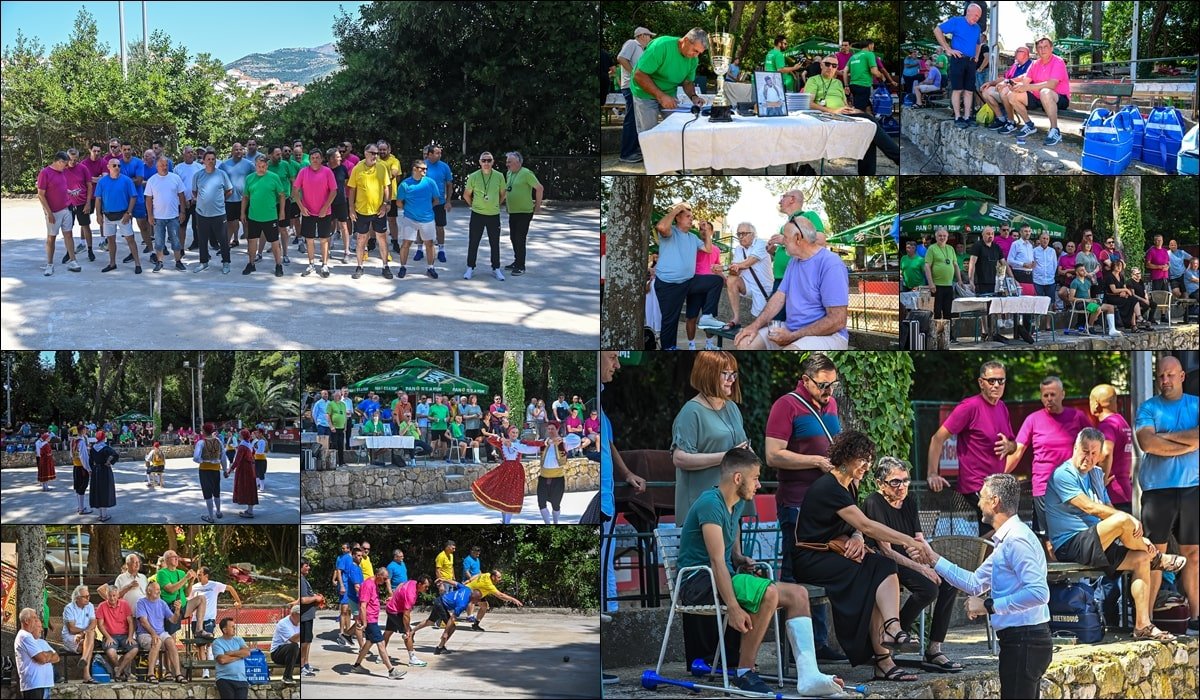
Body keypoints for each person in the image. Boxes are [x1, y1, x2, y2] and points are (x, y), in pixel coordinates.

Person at [792, 431, 933, 683]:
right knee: (875, 570)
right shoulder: (829, 486)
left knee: (883, 564)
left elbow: (857, 526)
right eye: (863, 459)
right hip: (811, 559)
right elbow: (866, 524)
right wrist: (908, 540)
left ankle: (890, 632)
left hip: (833, 554)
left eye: (869, 460)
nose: (867, 466)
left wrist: (856, 537)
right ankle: (886, 649)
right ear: (846, 457)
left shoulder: (849, 484)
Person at [908, 473, 1053, 699]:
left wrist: (989, 605)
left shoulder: (1016, 540)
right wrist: (933, 558)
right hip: (1020, 641)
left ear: (995, 501)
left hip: (1025, 640)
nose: (978, 502)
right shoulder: (1007, 539)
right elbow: (974, 583)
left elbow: (1038, 593)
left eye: (981, 496)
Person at [1045, 427, 1182, 642]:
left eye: (1093, 453)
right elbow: (1091, 508)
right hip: (1071, 544)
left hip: (1098, 541)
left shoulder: (1097, 474)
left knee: (1141, 558)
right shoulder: (1063, 474)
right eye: (1084, 451)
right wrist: (1128, 522)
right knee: (1122, 519)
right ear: (1074, 448)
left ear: (1100, 455)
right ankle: (1159, 558)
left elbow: (1106, 506)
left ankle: (1142, 625)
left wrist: (1136, 537)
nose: (1088, 458)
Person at [764, 353, 847, 663]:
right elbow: (773, 455)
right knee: (794, 572)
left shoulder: (832, 405)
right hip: (797, 501)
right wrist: (814, 461)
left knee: (819, 571)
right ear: (806, 380)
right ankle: (792, 649)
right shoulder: (786, 405)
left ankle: (820, 643)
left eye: (832, 385)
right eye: (823, 385)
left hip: (827, 503)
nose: (828, 392)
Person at [862, 457, 962, 672]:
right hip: (885, 563)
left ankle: (934, 649)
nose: (902, 487)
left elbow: (919, 539)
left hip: (909, 558)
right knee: (928, 589)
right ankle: (895, 633)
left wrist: (935, 561)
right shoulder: (874, 502)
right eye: (895, 482)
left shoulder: (908, 501)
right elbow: (887, 550)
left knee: (949, 583)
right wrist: (922, 568)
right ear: (880, 483)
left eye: (905, 481)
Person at [1134, 355, 1199, 636]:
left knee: (1193, 555)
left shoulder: (1196, 405)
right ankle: (1146, 620)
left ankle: (1196, 616)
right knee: (1154, 556)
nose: (1165, 380)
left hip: (1192, 488)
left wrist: (1167, 436)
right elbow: (1147, 443)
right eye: (1161, 376)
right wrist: (1188, 443)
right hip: (1157, 491)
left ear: (1182, 376)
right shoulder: (1148, 407)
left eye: (1170, 375)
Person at [927, 360, 1017, 536]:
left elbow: (1014, 445)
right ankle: (981, 562)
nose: (997, 385)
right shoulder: (969, 407)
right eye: (991, 381)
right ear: (981, 383)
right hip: (976, 485)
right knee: (1000, 527)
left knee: (1001, 530)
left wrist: (1009, 446)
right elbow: (937, 438)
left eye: (1001, 380)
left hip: (996, 485)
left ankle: (985, 561)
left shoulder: (1002, 407)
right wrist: (932, 473)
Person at [734, 215, 849, 349]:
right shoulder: (794, 262)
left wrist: (793, 336)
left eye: (785, 239)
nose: (783, 243)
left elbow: (838, 320)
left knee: (790, 350)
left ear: (798, 238)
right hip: (792, 330)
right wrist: (754, 326)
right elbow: (778, 298)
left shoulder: (831, 263)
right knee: (745, 343)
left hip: (828, 335)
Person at [1005, 376, 1095, 546]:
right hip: (1043, 488)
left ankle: (1075, 571)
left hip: (1072, 486)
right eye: (1045, 395)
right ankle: (1057, 572)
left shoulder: (1077, 416)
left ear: (1063, 394)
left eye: (1053, 395)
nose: (1049, 399)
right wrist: (999, 476)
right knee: (1049, 539)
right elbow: (1017, 451)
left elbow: (1095, 447)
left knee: (1078, 533)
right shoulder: (1033, 419)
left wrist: (1097, 475)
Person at [804, 55, 901, 174]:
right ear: (821, 65)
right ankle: (897, 157)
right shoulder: (813, 80)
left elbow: (845, 104)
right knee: (869, 121)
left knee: (868, 132)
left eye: (834, 65)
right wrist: (833, 110)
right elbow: (809, 103)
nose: (830, 67)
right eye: (827, 64)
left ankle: (868, 174)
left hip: (844, 115)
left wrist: (853, 110)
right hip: (827, 116)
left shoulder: (838, 83)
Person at [651, 202, 723, 350]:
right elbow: (661, 227)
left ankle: (707, 316)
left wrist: (707, 232)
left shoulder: (692, 237)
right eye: (688, 216)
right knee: (670, 320)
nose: (691, 219)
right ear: (678, 218)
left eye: (692, 217)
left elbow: (708, 249)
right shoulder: (670, 232)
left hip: (688, 282)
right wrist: (676, 210)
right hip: (668, 284)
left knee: (716, 281)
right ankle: (669, 348)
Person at [630, 28, 708, 135]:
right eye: (695, 50)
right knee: (648, 134)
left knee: (676, 129)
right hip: (644, 92)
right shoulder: (661, 46)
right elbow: (639, 75)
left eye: (699, 53)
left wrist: (694, 96)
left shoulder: (694, 60)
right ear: (685, 40)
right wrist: (661, 96)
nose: (696, 55)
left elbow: (688, 82)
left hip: (669, 93)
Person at [1002, 37, 1070, 145]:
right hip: (1038, 97)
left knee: (1045, 92)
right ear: (1037, 51)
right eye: (1040, 47)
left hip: (1058, 98)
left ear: (1051, 48)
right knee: (1012, 95)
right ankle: (1029, 124)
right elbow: (1025, 82)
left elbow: (1052, 84)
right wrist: (1016, 87)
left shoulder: (1058, 61)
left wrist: (1027, 87)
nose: (1043, 50)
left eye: (1045, 47)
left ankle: (1055, 130)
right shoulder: (1034, 64)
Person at [471, 425, 540, 523]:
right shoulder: (503, 443)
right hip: (504, 470)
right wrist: (501, 439)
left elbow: (533, 445)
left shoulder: (521, 443)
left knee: (511, 496)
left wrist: (545, 443)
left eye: (516, 433)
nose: (515, 434)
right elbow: (490, 439)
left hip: (516, 471)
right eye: (513, 432)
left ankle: (507, 522)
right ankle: (504, 521)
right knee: (504, 495)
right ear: (509, 433)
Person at [347, 144, 395, 280]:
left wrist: (385, 204)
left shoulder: (382, 167)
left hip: (378, 210)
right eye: (372, 153)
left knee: (382, 239)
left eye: (377, 153)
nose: (375, 155)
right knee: (361, 239)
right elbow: (352, 190)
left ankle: (385, 266)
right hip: (361, 210)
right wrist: (351, 208)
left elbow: (387, 187)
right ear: (365, 153)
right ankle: (360, 266)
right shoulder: (357, 169)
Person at [933, 3, 983, 128]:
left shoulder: (977, 28)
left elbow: (978, 43)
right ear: (968, 11)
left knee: (969, 91)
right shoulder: (956, 21)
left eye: (979, 16)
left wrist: (977, 56)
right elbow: (937, 30)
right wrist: (948, 49)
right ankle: (957, 116)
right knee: (957, 89)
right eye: (976, 15)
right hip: (958, 59)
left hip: (971, 61)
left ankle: (967, 116)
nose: (977, 18)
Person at [350, 569, 407, 679]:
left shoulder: (374, 584)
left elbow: (371, 601)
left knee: (368, 644)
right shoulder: (368, 585)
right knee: (381, 643)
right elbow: (362, 605)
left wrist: (381, 603)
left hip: (372, 619)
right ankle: (391, 670)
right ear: (378, 575)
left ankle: (356, 666)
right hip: (370, 620)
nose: (385, 581)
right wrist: (365, 623)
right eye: (384, 579)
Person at [190, 567, 243, 678]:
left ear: (206, 576)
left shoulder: (214, 585)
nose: (198, 577)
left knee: (209, 642)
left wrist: (238, 601)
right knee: (200, 645)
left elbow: (230, 588)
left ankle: (208, 666)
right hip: (196, 619)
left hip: (209, 618)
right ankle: (205, 670)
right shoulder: (194, 587)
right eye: (198, 575)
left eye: (200, 574)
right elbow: (189, 600)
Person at [292, 148, 337, 277]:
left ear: (321, 159)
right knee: (309, 239)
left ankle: (324, 265)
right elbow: (295, 191)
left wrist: (325, 207)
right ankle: (311, 264)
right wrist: (301, 207)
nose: (315, 160)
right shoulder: (303, 172)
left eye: (317, 157)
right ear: (310, 159)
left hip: (325, 212)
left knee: (324, 239)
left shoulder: (327, 172)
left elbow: (334, 191)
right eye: (313, 158)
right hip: (308, 212)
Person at [394, 159, 442, 279]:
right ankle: (403, 267)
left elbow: (436, 200)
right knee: (406, 243)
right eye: (422, 168)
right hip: (410, 219)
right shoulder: (405, 184)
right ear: (415, 169)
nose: (425, 170)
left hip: (428, 219)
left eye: (426, 168)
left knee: (430, 244)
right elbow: (399, 202)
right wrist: (410, 210)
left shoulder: (430, 182)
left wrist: (426, 208)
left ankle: (431, 268)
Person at [240, 155, 287, 277]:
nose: (261, 169)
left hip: (270, 216)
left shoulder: (274, 177)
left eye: (263, 166)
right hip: (253, 216)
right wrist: (242, 212)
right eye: (259, 166)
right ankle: (251, 264)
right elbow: (245, 197)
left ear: (267, 166)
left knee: (275, 243)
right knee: (251, 241)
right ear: (255, 165)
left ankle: (278, 265)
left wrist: (282, 212)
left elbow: (282, 195)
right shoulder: (250, 178)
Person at [38, 151, 83, 276]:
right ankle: (50, 264)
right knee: (51, 237)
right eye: (66, 163)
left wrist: (70, 192)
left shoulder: (62, 172)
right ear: (59, 161)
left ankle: (73, 261)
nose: (67, 166)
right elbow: (41, 195)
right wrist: (49, 213)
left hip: (66, 208)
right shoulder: (45, 173)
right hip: (53, 211)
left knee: (68, 234)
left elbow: (60, 187)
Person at [463, 151, 506, 280]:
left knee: (495, 243)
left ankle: (496, 268)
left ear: (493, 162)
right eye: (484, 160)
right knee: (473, 242)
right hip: (477, 214)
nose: (486, 163)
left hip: (493, 215)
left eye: (489, 160)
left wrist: (495, 204)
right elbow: (466, 194)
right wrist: (474, 205)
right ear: (479, 162)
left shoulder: (499, 176)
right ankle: (470, 267)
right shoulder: (474, 176)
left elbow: (503, 193)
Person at [92, 157, 140, 274]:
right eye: (114, 165)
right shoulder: (102, 182)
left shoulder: (127, 180)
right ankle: (112, 263)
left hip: (123, 215)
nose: (117, 167)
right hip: (108, 216)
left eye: (119, 165)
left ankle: (137, 264)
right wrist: (98, 215)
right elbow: (98, 199)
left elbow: (133, 197)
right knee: (110, 240)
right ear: (108, 167)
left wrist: (129, 213)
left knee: (130, 239)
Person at [191, 150, 234, 274]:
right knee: (202, 239)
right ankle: (203, 262)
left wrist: (221, 201)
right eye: (208, 159)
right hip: (202, 213)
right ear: (203, 161)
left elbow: (229, 190)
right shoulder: (198, 175)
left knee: (223, 239)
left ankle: (226, 262)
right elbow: (194, 191)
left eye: (213, 159)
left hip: (219, 214)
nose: (211, 161)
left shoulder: (222, 174)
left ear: (216, 161)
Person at [617, 27, 656, 163]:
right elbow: (621, 58)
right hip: (630, 87)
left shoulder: (644, 49)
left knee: (637, 120)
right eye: (649, 36)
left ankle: (633, 149)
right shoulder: (632, 43)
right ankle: (626, 153)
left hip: (638, 88)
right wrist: (634, 74)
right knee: (632, 119)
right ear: (642, 36)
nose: (651, 39)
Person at [501, 151, 543, 276]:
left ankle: (521, 266)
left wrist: (538, 206)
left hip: (525, 212)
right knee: (513, 237)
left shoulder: (526, 173)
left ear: (518, 162)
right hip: (513, 211)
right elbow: (508, 190)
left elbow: (539, 188)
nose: (507, 164)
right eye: (507, 161)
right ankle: (516, 261)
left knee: (520, 238)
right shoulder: (509, 173)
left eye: (509, 162)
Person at [725, 223, 774, 327]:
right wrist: (726, 271)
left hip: (763, 288)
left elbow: (747, 263)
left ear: (753, 234)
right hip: (747, 285)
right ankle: (736, 318)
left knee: (764, 323)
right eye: (739, 234)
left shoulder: (761, 244)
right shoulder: (739, 249)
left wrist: (724, 267)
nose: (741, 237)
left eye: (744, 233)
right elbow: (736, 271)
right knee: (731, 280)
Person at [684, 220, 724, 350]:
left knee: (709, 318)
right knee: (691, 317)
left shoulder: (717, 250)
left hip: (710, 287)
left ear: (712, 232)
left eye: (706, 229)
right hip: (696, 283)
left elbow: (717, 267)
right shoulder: (695, 246)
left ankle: (709, 344)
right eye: (701, 229)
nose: (703, 231)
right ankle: (691, 345)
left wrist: (725, 278)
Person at [144, 156, 187, 273]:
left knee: (176, 240)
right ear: (157, 167)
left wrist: (182, 211)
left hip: (173, 216)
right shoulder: (152, 180)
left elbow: (181, 196)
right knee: (159, 241)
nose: (164, 167)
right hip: (158, 217)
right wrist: (150, 215)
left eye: (166, 165)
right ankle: (159, 262)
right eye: (161, 165)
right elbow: (148, 199)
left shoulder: (175, 178)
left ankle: (178, 262)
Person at [136, 581, 184, 684]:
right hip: (145, 634)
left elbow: (173, 620)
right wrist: (153, 634)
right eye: (157, 589)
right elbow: (143, 622)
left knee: (171, 642)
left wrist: (177, 611)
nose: (159, 592)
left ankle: (178, 674)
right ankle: (150, 674)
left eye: (159, 589)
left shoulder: (162, 603)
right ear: (149, 591)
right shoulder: (141, 602)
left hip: (161, 633)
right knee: (156, 642)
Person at [1060, 263, 1122, 335]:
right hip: (1079, 303)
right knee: (1097, 308)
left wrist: (1092, 300)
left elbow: (1088, 296)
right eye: (1081, 270)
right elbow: (1071, 298)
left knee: (1110, 307)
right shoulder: (1075, 282)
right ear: (1077, 272)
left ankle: (1112, 330)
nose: (1084, 271)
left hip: (1088, 303)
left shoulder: (1087, 282)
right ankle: (1089, 326)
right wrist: (1086, 300)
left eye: (1084, 270)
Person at [384, 574, 431, 668]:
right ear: (420, 584)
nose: (427, 589)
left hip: (391, 607)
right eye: (426, 587)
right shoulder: (411, 595)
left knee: (388, 632)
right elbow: (406, 615)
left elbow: (401, 584)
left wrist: (394, 597)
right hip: (395, 611)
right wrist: (407, 629)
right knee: (409, 633)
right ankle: (412, 659)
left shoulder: (413, 582)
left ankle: (381, 656)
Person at [96, 582, 140, 682]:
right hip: (110, 635)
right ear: (106, 595)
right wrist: (108, 637)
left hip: (124, 636)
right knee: (111, 652)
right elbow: (100, 625)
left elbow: (130, 622)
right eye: (109, 596)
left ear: (118, 595)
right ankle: (121, 672)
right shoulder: (102, 606)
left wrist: (130, 637)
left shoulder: (124, 604)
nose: (112, 598)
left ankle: (118, 672)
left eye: (114, 595)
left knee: (134, 649)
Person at [527, 423, 568, 524]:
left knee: (556, 504)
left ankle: (555, 522)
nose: (550, 431)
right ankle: (547, 523)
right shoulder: (543, 443)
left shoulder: (563, 442)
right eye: (548, 429)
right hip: (544, 477)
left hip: (557, 478)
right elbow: (529, 446)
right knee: (541, 503)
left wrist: (562, 440)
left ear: (557, 429)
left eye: (552, 429)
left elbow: (575, 439)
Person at [16, 607, 59, 699]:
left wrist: (46, 655)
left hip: (42, 684)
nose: (36, 621)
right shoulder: (25, 636)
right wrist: (48, 654)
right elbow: (42, 658)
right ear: (27, 621)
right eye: (34, 618)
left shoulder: (33, 638)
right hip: (34, 684)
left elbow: (56, 657)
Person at [923, 226, 961, 327]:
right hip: (937, 285)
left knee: (948, 311)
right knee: (937, 311)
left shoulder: (951, 248)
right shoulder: (932, 248)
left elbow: (955, 265)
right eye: (940, 236)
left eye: (944, 236)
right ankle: (936, 333)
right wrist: (931, 283)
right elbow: (927, 266)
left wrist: (960, 280)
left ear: (947, 237)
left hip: (949, 285)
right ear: (936, 237)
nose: (942, 238)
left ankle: (948, 334)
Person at [62, 585, 99, 683]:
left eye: (88, 596)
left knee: (90, 635)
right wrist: (84, 632)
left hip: (85, 636)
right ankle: (86, 675)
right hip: (71, 636)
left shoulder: (90, 606)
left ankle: (83, 658)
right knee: (88, 644)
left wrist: (84, 633)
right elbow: (72, 629)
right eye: (85, 596)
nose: (88, 598)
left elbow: (93, 623)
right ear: (77, 598)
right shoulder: (69, 608)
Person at [193, 424, 229, 522]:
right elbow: (223, 457)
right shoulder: (219, 441)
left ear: (204, 431)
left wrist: (202, 461)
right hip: (216, 470)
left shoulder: (201, 442)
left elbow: (196, 457)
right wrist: (225, 470)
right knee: (216, 491)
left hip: (205, 470)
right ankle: (218, 512)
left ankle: (210, 516)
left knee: (207, 493)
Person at [212, 617, 252, 699]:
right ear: (225, 630)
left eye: (234, 626)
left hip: (241, 679)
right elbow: (222, 660)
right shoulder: (217, 642)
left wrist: (231, 653)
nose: (235, 628)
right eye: (232, 627)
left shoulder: (239, 640)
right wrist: (239, 656)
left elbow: (247, 653)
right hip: (224, 678)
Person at [223, 429, 257, 518]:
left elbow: (237, 461)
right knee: (250, 488)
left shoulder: (242, 446)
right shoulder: (249, 444)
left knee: (246, 487)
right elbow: (253, 454)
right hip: (250, 468)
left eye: (240, 434)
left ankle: (250, 512)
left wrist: (229, 471)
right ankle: (250, 510)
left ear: (243, 436)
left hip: (244, 469)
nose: (238, 435)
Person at [88, 430, 118, 521]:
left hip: (96, 471)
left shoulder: (93, 448)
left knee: (97, 491)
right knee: (104, 491)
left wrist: (92, 469)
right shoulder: (105, 448)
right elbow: (115, 455)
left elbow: (90, 461)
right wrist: (109, 462)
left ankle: (100, 514)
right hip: (104, 471)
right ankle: (104, 515)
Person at [270, 606, 302, 685]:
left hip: (293, 653)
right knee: (293, 646)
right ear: (293, 614)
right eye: (299, 615)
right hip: (277, 653)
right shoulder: (283, 623)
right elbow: (293, 640)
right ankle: (287, 677)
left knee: (304, 648)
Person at [1143, 235, 1171, 323]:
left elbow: (1168, 263)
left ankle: (1163, 316)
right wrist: (1158, 267)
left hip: (1165, 277)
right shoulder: (1151, 251)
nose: (1159, 242)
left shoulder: (1165, 251)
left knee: (1165, 296)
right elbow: (1147, 264)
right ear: (1154, 241)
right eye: (1157, 240)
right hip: (1156, 277)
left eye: (1161, 240)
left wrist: (1167, 267)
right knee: (1155, 297)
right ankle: (1152, 316)